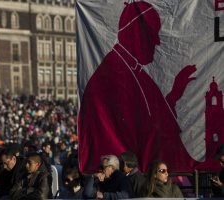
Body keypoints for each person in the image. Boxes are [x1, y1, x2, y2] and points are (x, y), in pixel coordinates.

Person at [78, 0, 197, 173]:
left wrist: (174, 94)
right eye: (152, 34)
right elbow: (144, 132)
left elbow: (152, 119)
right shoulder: (111, 77)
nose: (157, 42)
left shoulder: (133, 69)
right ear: (136, 34)